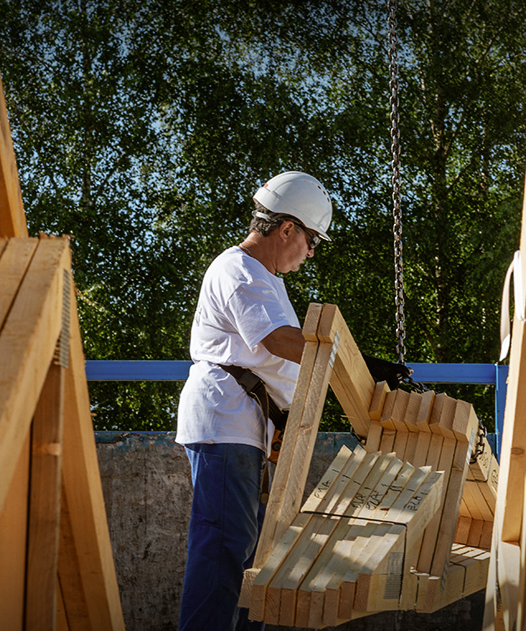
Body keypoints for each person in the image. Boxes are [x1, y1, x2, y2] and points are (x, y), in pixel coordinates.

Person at [176, 171, 333, 630]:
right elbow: (278, 340)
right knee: (226, 545)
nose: (309, 252)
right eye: (311, 241)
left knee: (255, 556)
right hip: (226, 423)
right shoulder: (239, 269)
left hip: (246, 429)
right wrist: (344, 360)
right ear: (287, 229)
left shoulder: (262, 277)